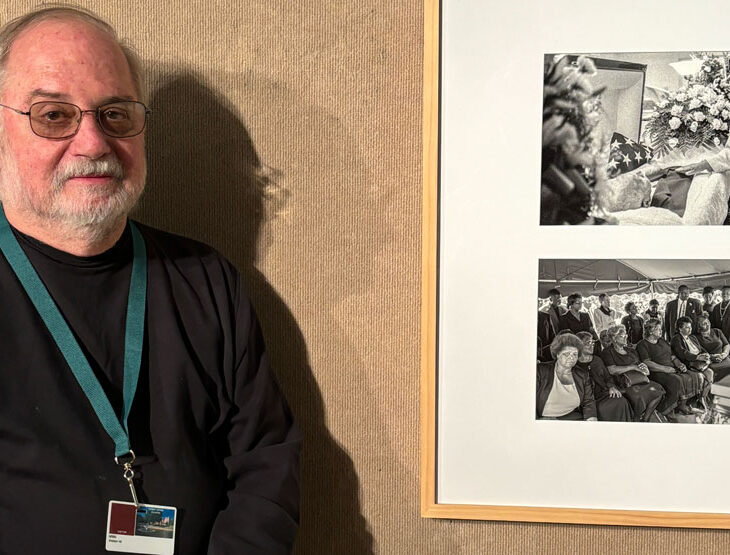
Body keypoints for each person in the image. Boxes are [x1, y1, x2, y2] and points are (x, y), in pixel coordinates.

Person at [0, 7, 300, 554]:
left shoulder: (208, 280)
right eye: (52, 115)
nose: (92, 143)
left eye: (115, 114)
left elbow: (266, 460)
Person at [600, 325, 665, 422]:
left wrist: (645, 370)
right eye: (622, 336)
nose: (626, 337)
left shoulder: (630, 350)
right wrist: (632, 367)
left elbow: (639, 365)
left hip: (638, 379)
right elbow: (612, 370)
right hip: (622, 383)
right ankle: (636, 418)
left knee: (658, 389)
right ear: (614, 338)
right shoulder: (608, 352)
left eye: (626, 335)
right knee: (638, 396)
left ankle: (646, 418)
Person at [636, 318, 699, 417]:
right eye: (658, 329)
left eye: (661, 329)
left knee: (691, 376)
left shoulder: (662, 341)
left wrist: (679, 364)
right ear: (651, 331)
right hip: (656, 372)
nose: (661, 331)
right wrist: (665, 369)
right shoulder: (642, 344)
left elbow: (672, 356)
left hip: (671, 368)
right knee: (676, 381)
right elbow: (647, 362)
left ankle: (682, 405)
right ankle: (666, 410)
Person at [536, 333, 597, 420]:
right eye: (566, 354)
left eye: (574, 354)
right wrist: (536, 420)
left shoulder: (583, 375)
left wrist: (592, 418)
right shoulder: (540, 370)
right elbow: (528, 399)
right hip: (543, 419)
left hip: (571, 417)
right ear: (557, 354)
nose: (571, 358)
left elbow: (588, 402)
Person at [574, 332, 632, 421]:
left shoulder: (597, 360)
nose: (592, 345)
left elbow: (608, 377)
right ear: (579, 345)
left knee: (621, 401)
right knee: (602, 410)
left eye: (592, 342)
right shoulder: (574, 364)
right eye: (588, 343)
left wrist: (612, 387)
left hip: (602, 393)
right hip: (585, 399)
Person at [671, 316, 712, 409]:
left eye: (690, 327)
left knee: (710, 373)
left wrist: (706, 355)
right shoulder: (676, 338)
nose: (690, 329)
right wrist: (697, 357)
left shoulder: (692, 337)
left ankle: (702, 397)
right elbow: (682, 353)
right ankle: (695, 400)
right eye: (687, 327)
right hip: (688, 364)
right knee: (702, 376)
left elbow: (701, 349)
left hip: (699, 363)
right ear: (680, 328)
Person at [694, 312, 730, 382]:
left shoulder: (717, 331)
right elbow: (698, 353)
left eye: (708, 321)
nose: (707, 324)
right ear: (698, 326)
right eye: (704, 323)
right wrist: (712, 357)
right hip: (709, 362)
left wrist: (724, 354)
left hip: (723, 358)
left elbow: (726, 344)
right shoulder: (695, 337)